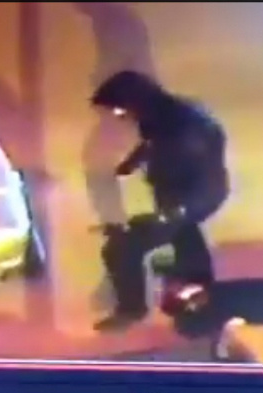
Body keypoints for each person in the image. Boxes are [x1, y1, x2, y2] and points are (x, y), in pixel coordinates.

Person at [90, 70, 230, 332]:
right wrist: (132, 164)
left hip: (190, 199)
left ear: (134, 102)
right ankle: (202, 292)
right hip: (190, 196)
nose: (120, 118)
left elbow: (195, 171)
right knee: (186, 238)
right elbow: (151, 143)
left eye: (120, 111)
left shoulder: (181, 132)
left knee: (122, 249)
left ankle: (131, 310)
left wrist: (169, 215)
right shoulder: (166, 115)